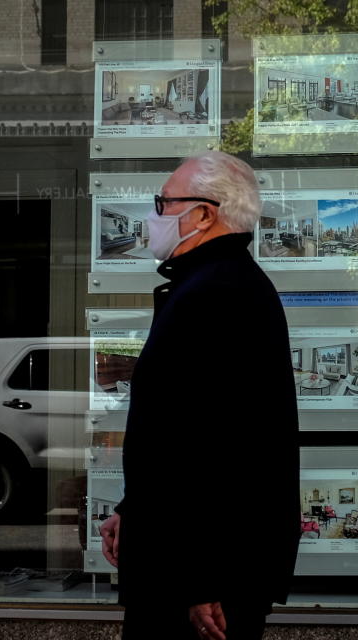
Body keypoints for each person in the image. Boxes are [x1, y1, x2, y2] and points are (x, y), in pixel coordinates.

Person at [99, 151, 300, 640]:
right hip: (190, 566)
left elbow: (222, 447)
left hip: (197, 579)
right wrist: (133, 507)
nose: (154, 217)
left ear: (205, 214)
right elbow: (179, 432)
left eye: (164, 203)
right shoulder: (213, 285)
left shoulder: (218, 294)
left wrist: (200, 577)